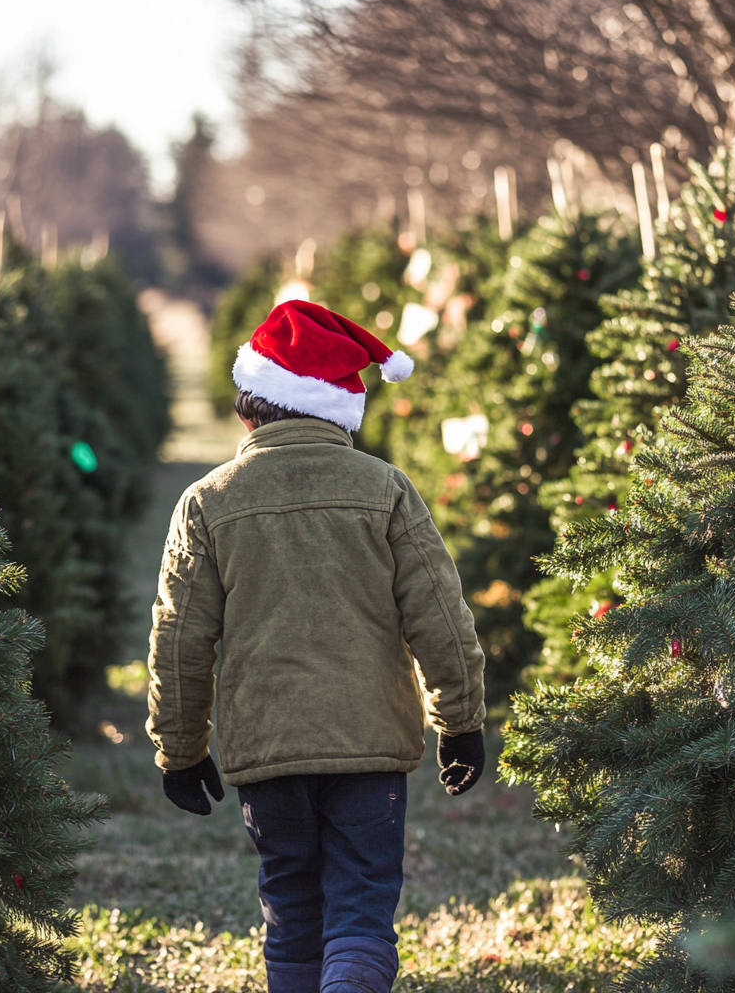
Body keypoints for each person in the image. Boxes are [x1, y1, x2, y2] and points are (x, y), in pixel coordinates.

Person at [147, 299, 487, 993]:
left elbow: (179, 638)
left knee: (292, 908)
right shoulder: (387, 490)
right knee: (361, 909)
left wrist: (179, 749)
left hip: (265, 751)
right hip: (369, 748)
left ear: (248, 410)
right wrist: (462, 722)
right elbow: (441, 620)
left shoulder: (207, 502)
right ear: (341, 411)